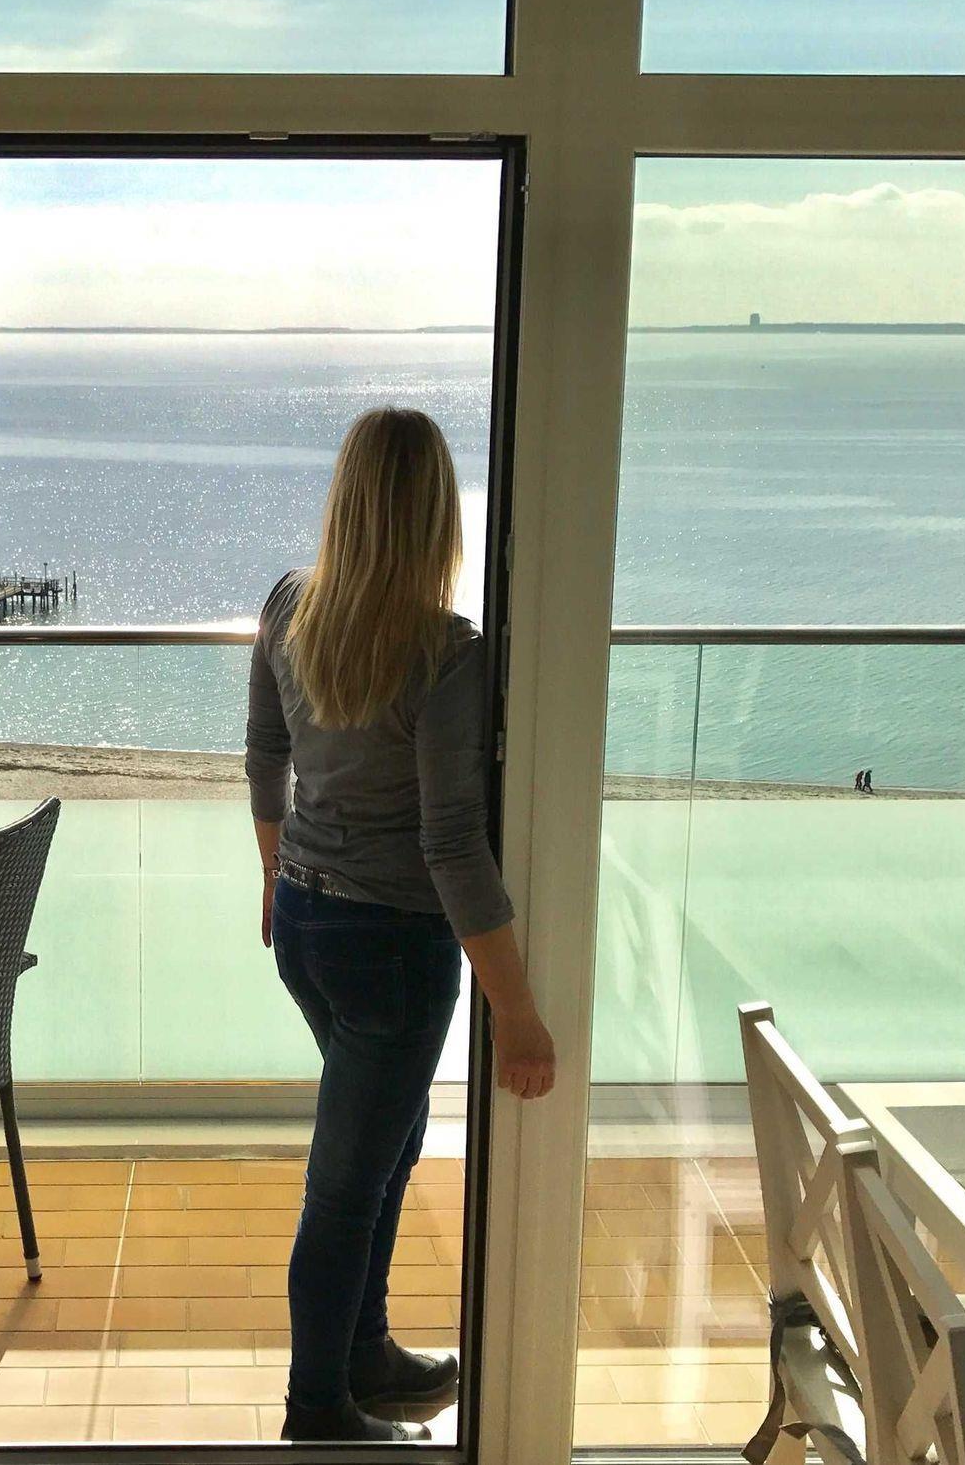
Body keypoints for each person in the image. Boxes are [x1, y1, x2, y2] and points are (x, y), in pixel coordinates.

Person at [245, 406, 558, 1443]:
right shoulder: (445, 652)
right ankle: (317, 1414)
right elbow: (452, 844)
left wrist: (273, 875)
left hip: (304, 925)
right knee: (344, 1184)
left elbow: (263, 759)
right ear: (435, 515)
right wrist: (517, 1013)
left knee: (388, 1139)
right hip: (391, 951)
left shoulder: (290, 606)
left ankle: (365, 1351)